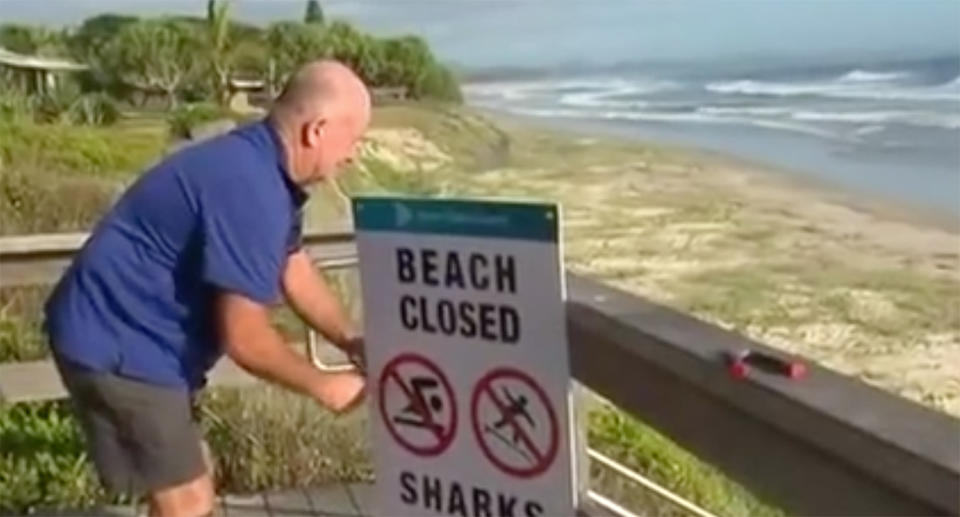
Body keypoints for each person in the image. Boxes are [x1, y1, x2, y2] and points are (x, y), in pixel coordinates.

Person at [43, 60, 371, 517]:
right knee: (189, 502)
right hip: (118, 341)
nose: (355, 153)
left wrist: (351, 340)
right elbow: (246, 338)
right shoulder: (250, 186)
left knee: (192, 481)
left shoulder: (267, 171)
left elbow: (292, 267)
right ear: (316, 130)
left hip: (138, 340)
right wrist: (323, 385)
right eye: (354, 138)